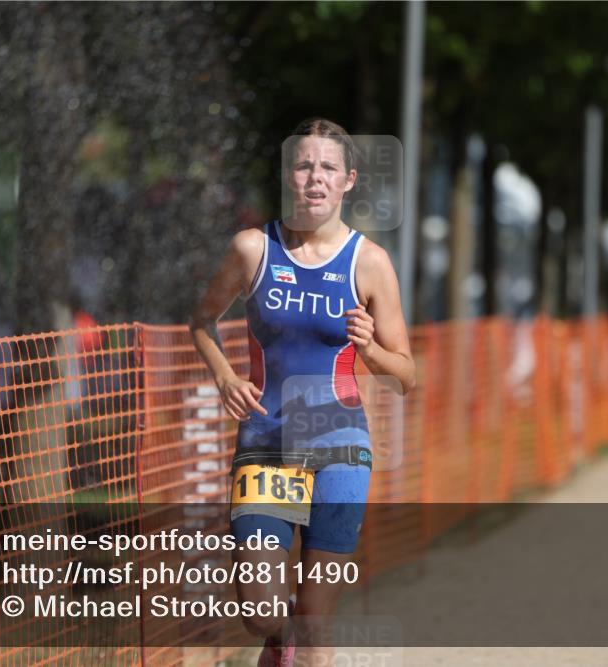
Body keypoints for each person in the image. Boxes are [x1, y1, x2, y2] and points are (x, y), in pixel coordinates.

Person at [189, 118, 415, 666]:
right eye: (304, 165)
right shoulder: (252, 249)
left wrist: (371, 350)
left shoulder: (369, 263)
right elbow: (201, 320)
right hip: (268, 440)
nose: (315, 178)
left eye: (328, 168)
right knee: (262, 613)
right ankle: (280, 638)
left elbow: (405, 375)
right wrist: (224, 377)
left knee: (315, 618)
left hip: (339, 445)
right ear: (289, 175)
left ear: (348, 181)